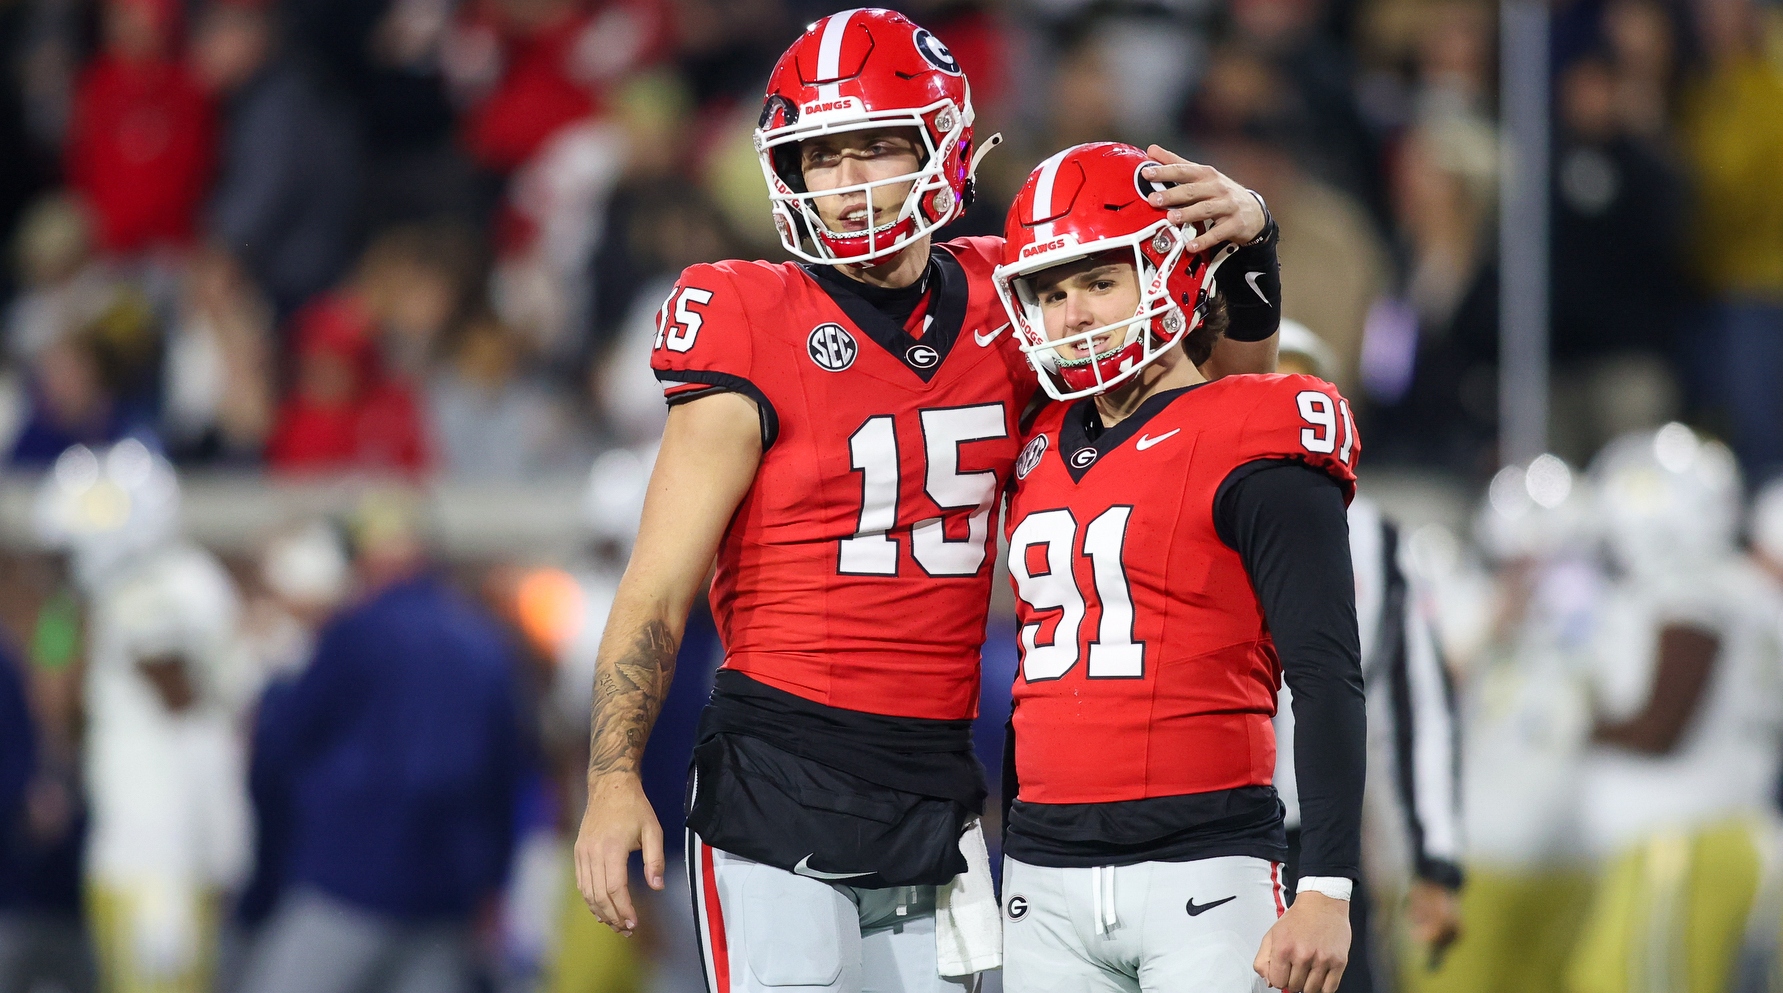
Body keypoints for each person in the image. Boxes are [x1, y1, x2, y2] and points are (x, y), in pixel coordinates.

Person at [570, 9, 1279, 991]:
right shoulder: (745, 314)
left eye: (875, 148)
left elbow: (1222, 416)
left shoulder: (1012, 297)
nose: (849, 183)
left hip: (939, 796)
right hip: (781, 779)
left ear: (942, 143)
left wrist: (1248, 259)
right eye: (822, 156)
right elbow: (656, 586)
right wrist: (611, 780)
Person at [990, 142, 1363, 993]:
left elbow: (1325, 673)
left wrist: (1326, 885)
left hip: (1203, 863)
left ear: (1169, 269)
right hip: (1042, 875)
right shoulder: (1036, 440)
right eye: (1050, 292)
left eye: (1098, 280)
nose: (1074, 314)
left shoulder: (1254, 427)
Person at [239, 491, 527, 993]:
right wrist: (491, 884)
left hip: (345, 882)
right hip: (446, 894)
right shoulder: (486, 642)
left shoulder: (356, 633)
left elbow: (278, 750)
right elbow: (509, 780)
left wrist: (266, 877)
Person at [1273, 322, 1466, 991]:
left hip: (1316, 842)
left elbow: (1412, 709)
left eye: (1299, 386)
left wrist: (1432, 858)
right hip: (1195, 831)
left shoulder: (1374, 540)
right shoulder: (1182, 503)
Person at [1566, 425, 1783, 993]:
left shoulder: (1693, 587)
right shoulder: (1738, 589)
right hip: (1699, 832)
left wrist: (1576, 723)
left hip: (1681, 841)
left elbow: (1663, 726)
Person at [34, 440, 252, 993]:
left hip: (159, 859)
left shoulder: (155, 590)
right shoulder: (136, 592)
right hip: (153, 848)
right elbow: (59, 689)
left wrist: (92, 612)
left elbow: (173, 687)